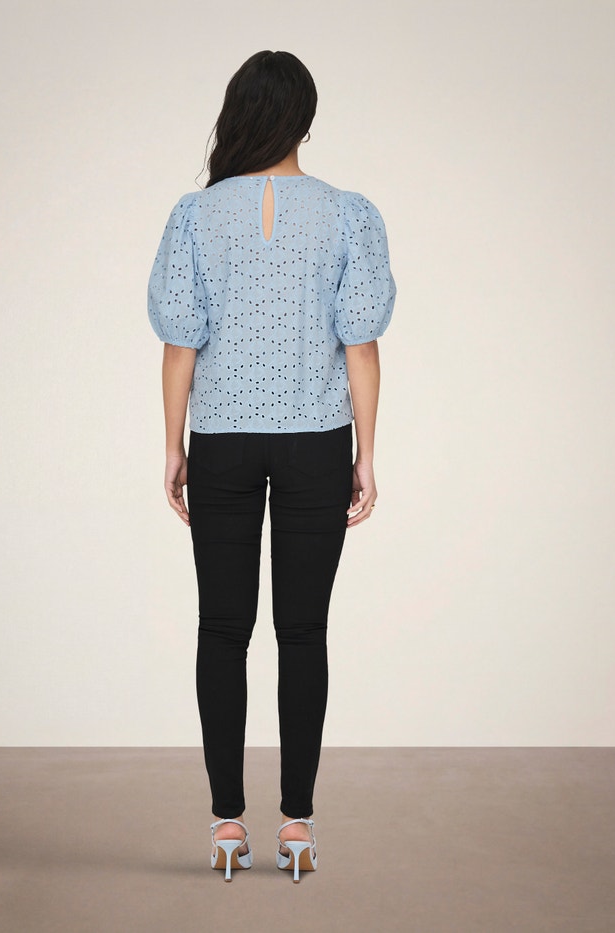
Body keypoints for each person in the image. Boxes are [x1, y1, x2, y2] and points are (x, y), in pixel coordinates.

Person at [147, 50, 397, 883]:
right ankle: (296, 824)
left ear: (239, 114)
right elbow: (361, 344)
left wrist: (174, 445)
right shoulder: (347, 214)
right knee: (304, 630)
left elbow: (179, 343)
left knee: (221, 628)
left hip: (221, 439)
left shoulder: (195, 215)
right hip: (315, 440)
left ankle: (227, 823)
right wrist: (366, 452)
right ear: (306, 120)